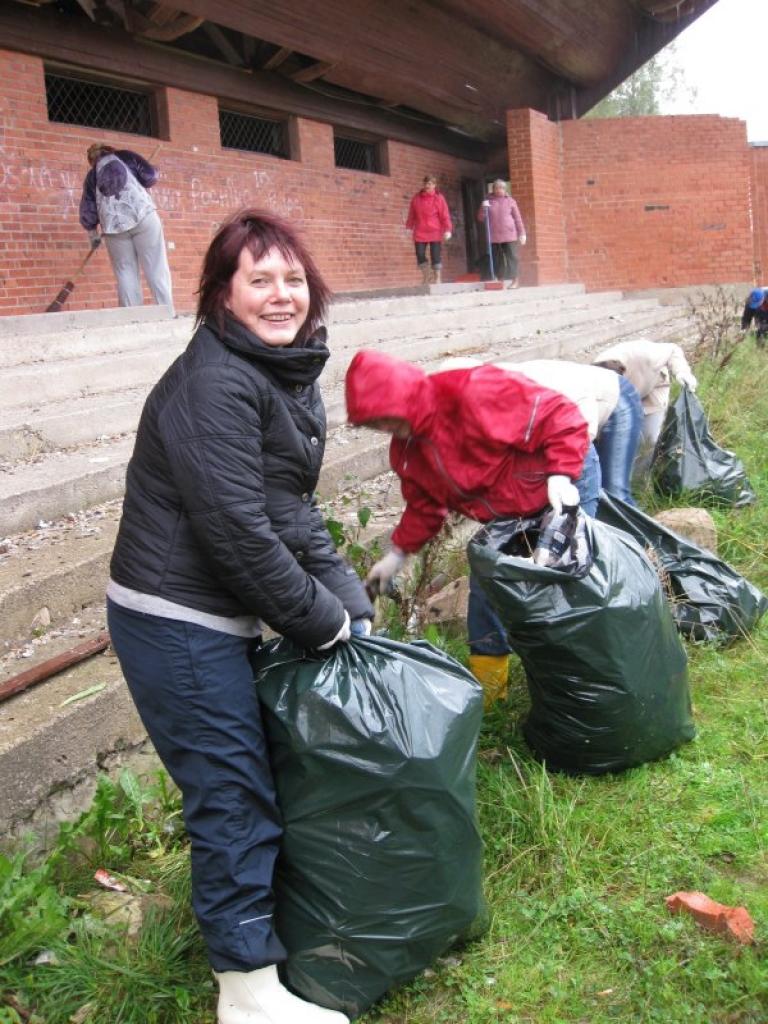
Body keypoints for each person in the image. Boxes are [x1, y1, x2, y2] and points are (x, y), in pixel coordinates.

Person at [106, 209, 372, 1024]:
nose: (281, 294)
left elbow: (288, 511)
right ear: (223, 294)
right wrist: (319, 623)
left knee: (249, 783)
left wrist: (352, 609)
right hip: (173, 617)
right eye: (260, 279)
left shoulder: (278, 371)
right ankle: (248, 993)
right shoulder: (216, 382)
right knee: (231, 793)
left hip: (214, 607)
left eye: (293, 278)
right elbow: (238, 535)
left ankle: (263, 942)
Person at [345, 350, 590, 706]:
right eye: (374, 423)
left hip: (561, 484)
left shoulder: (472, 392)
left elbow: (561, 415)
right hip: (505, 517)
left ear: (406, 396)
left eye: (387, 416)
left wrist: (561, 474)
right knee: (486, 598)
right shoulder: (407, 452)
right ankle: (492, 701)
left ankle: (579, 689)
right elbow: (425, 507)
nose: (385, 428)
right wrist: (396, 555)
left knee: (568, 588)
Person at [441, 356, 643, 507]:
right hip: (574, 418)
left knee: (614, 492)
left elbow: (578, 413)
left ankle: (643, 551)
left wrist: (563, 472)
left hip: (613, 398)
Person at [79, 142, 174, 312]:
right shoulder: (126, 156)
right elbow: (150, 176)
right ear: (109, 149)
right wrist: (152, 171)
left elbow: (88, 209)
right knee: (156, 266)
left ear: (92, 160)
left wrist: (93, 234)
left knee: (125, 272)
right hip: (143, 216)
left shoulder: (92, 176)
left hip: (114, 228)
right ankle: (166, 312)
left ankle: (132, 318)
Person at [593, 338, 697, 475]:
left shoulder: (646, 355)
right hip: (622, 395)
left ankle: (639, 480)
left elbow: (673, 350)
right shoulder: (595, 373)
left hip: (652, 386)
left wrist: (682, 371)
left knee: (647, 441)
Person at [476, 179, 526, 287]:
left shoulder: (510, 201)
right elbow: (480, 218)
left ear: (505, 189)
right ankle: (499, 279)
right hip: (494, 236)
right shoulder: (488, 201)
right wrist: (483, 209)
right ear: (493, 189)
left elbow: (518, 218)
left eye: (501, 188)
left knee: (512, 257)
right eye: (496, 188)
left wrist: (522, 233)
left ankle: (515, 280)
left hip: (509, 234)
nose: (499, 190)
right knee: (496, 259)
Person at [405, 175, 453, 286]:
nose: (427, 186)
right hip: (420, 231)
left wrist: (448, 229)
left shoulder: (439, 198)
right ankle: (427, 275)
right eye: (426, 183)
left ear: (434, 185)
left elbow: (445, 215)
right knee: (420, 254)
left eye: (430, 184)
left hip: (435, 231)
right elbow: (412, 214)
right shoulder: (416, 198)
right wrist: (409, 227)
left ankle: (437, 278)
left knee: (435, 255)